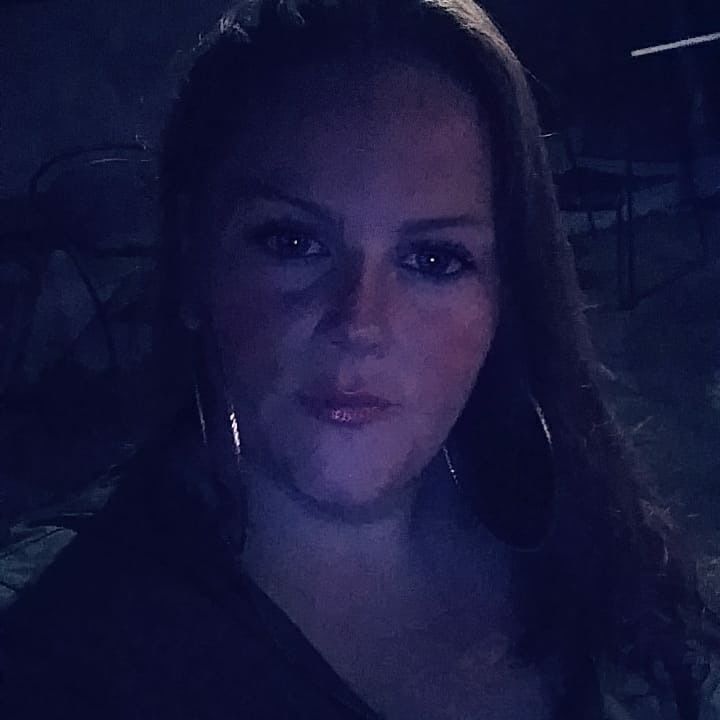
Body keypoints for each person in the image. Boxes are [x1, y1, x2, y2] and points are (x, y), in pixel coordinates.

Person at [1, 1, 720, 718]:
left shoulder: (578, 526)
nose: (360, 323)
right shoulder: (57, 658)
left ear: (507, 292)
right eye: (293, 242)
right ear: (194, 262)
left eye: (434, 259)